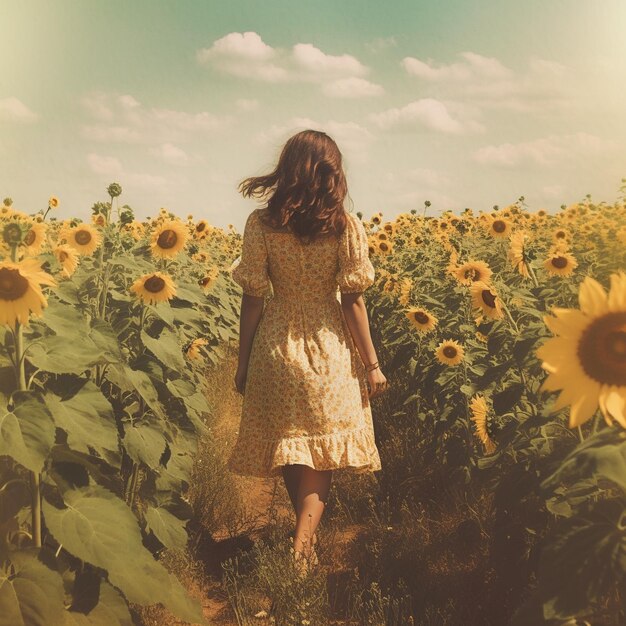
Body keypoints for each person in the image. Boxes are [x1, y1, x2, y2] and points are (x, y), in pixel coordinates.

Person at [227, 129, 389, 575]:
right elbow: (354, 300)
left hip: (276, 344)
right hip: (328, 344)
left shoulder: (261, 224)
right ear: (329, 172)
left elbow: (254, 298)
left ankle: (303, 541)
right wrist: (372, 366)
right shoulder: (345, 226)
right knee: (321, 449)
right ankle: (302, 547)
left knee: (292, 444)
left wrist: (244, 363)